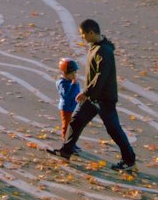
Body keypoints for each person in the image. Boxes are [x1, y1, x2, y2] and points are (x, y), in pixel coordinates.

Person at [48, 20, 137, 170]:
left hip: (104, 99)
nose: (83, 37)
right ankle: (66, 151)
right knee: (76, 121)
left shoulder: (104, 52)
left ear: (91, 32)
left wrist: (86, 92)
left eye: (83, 34)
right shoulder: (95, 47)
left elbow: (100, 77)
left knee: (114, 129)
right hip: (93, 97)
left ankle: (129, 160)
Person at [56, 58, 81, 150]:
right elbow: (66, 95)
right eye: (72, 74)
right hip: (66, 108)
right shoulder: (61, 83)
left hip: (74, 106)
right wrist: (73, 85)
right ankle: (66, 143)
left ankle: (72, 143)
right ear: (64, 73)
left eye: (75, 73)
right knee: (66, 126)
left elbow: (77, 93)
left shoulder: (72, 81)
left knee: (73, 126)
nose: (74, 75)